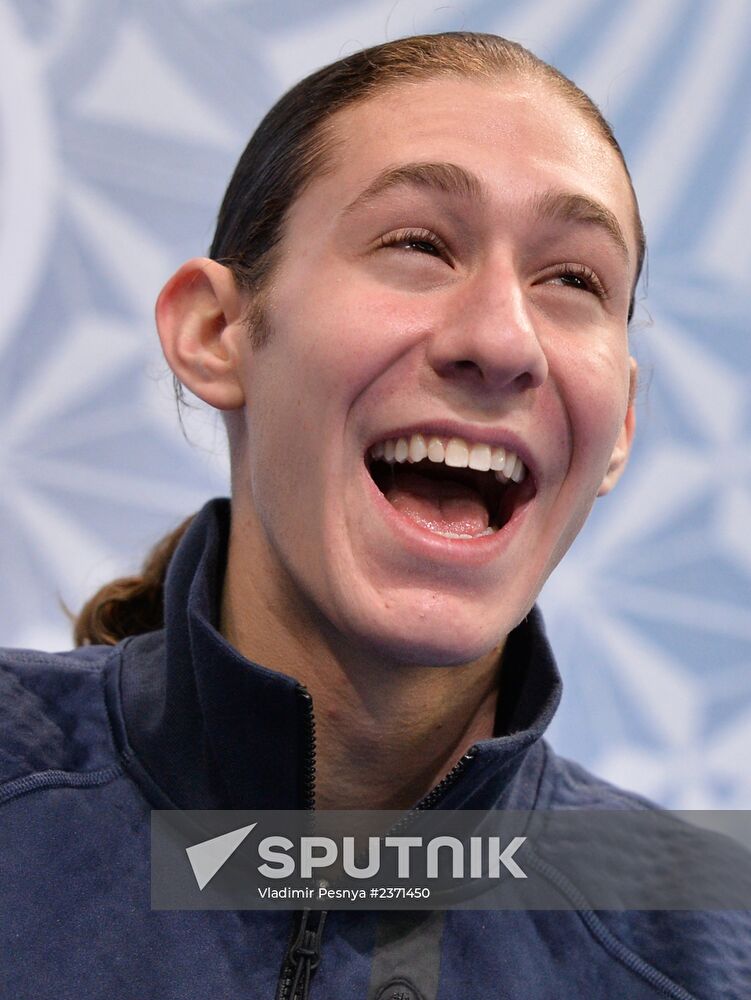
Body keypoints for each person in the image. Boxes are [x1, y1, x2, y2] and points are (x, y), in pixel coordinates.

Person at [1, 31, 748, 1000]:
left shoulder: (706, 944)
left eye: (573, 280)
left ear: (620, 429)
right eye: (418, 244)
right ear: (217, 330)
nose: (499, 338)